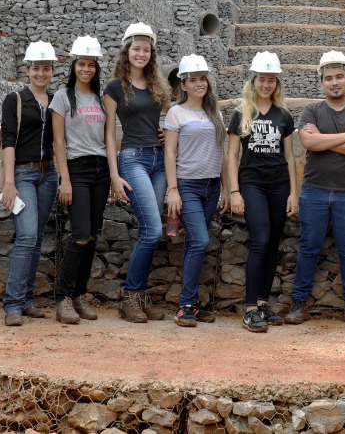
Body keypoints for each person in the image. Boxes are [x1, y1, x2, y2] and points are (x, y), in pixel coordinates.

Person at [284, 51, 345, 329]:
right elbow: (308, 145)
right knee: (309, 248)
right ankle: (299, 304)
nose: (334, 83)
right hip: (315, 191)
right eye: (328, 79)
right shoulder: (312, 110)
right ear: (321, 83)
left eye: (339, 77)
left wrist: (324, 139)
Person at [226, 51, 299, 333]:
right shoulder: (241, 113)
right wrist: (234, 191)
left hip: (280, 183)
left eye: (271, 80)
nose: (266, 85)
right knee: (261, 240)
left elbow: (291, 157)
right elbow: (232, 156)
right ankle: (250, 310)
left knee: (273, 244)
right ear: (253, 81)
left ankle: (263, 302)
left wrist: (294, 192)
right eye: (261, 79)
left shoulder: (285, 115)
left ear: (276, 83)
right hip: (252, 183)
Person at [104, 22, 171, 323]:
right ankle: (130, 296)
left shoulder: (158, 85)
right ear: (126, 51)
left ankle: (140, 297)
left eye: (146, 49)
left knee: (149, 232)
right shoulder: (115, 87)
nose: (141, 54)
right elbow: (108, 134)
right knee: (154, 229)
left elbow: (171, 119)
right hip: (132, 159)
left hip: (158, 161)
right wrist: (114, 175)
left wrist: (166, 134)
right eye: (136, 49)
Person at [0, 41, 64, 327]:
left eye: (46, 68)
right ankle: (12, 304)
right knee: (26, 236)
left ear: (52, 71)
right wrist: (9, 183)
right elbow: (8, 142)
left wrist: (61, 175)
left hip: (47, 174)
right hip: (23, 175)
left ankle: (26, 299)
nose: (41, 73)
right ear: (27, 70)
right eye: (36, 68)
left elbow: (59, 141)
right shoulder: (14, 99)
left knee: (36, 238)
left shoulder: (56, 102)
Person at [164, 55, 229, 327]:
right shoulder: (176, 113)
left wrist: (227, 187)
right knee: (200, 241)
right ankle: (185, 305)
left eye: (203, 78)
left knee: (194, 243)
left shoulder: (215, 114)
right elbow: (169, 151)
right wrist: (173, 189)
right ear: (183, 84)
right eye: (193, 79)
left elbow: (222, 152)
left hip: (212, 185)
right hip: (188, 185)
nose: (199, 83)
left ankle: (191, 303)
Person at [52, 36, 111, 324]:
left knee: (91, 236)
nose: (86, 69)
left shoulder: (101, 99)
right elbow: (59, 141)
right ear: (73, 65)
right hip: (77, 169)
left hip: (100, 170)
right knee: (79, 235)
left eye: (91, 64)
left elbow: (111, 137)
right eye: (81, 64)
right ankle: (63, 298)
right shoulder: (62, 97)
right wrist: (64, 179)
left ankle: (80, 294)